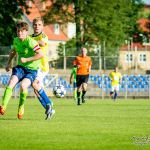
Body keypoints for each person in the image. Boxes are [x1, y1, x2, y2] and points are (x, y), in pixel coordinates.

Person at [0, 21, 43, 119]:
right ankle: (3, 107)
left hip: (31, 70)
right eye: (18, 31)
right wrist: (9, 63)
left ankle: (21, 107)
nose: (19, 33)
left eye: (22, 31)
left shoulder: (31, 41)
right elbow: (13, 51)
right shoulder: (16, 40)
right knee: (11, 82)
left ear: (26, 32)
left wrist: (27, 59)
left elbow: (41, 54)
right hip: (20, 68)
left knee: (23, 86)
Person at [31, 17, 55, 120]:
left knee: (34, 84)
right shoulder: (30, 36)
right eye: (35, 25)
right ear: (33, 26)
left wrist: (30, 41)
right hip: (34, 66)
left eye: (39, 25)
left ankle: (49, 103)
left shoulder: (43, 35)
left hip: (42, 66)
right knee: (36, 90)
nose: (37, 26)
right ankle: (49, 110)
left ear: (42, 26)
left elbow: (42, 43)